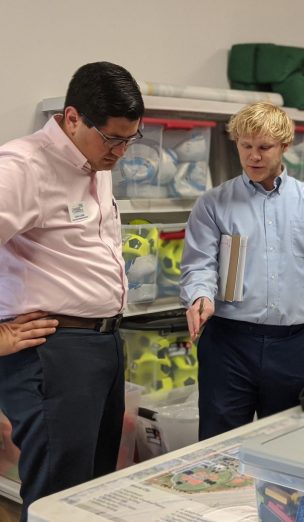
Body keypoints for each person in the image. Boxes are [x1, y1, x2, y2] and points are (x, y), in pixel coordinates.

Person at [180, 102, 304, 438]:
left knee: (288, 444)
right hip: (228, 344)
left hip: (292, 345)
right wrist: (200, 294)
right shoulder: (214, 204)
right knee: (218, 446)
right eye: (245, 147)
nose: (253, 157)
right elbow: (198, 263)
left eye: (264, 148)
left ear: (285, 147)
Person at [0, 61, 144, 520]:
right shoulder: (23, 166)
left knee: (94, 491)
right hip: (53, 349)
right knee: (56, 497)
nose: (121, 152)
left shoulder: (96, 159)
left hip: (103, 343)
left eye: (130, 138)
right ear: (73, 117)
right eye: (113, 139)